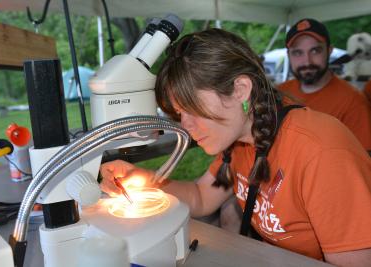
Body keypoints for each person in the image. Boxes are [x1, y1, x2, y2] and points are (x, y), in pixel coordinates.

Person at [100, 29, 371, 266]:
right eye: (180, 113)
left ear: (241, 89)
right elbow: (201, 197)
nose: (186, 126)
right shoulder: (242, 139)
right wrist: (147, 181)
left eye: (193, 108)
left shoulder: (322, 153)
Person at [278, 18, 371, 153]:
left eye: (315, 50)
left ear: (329, 50)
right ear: (288, 55)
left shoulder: (353, 102)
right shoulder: (279, 93)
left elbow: (365, 161)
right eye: (298, 52)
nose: (307, 61)